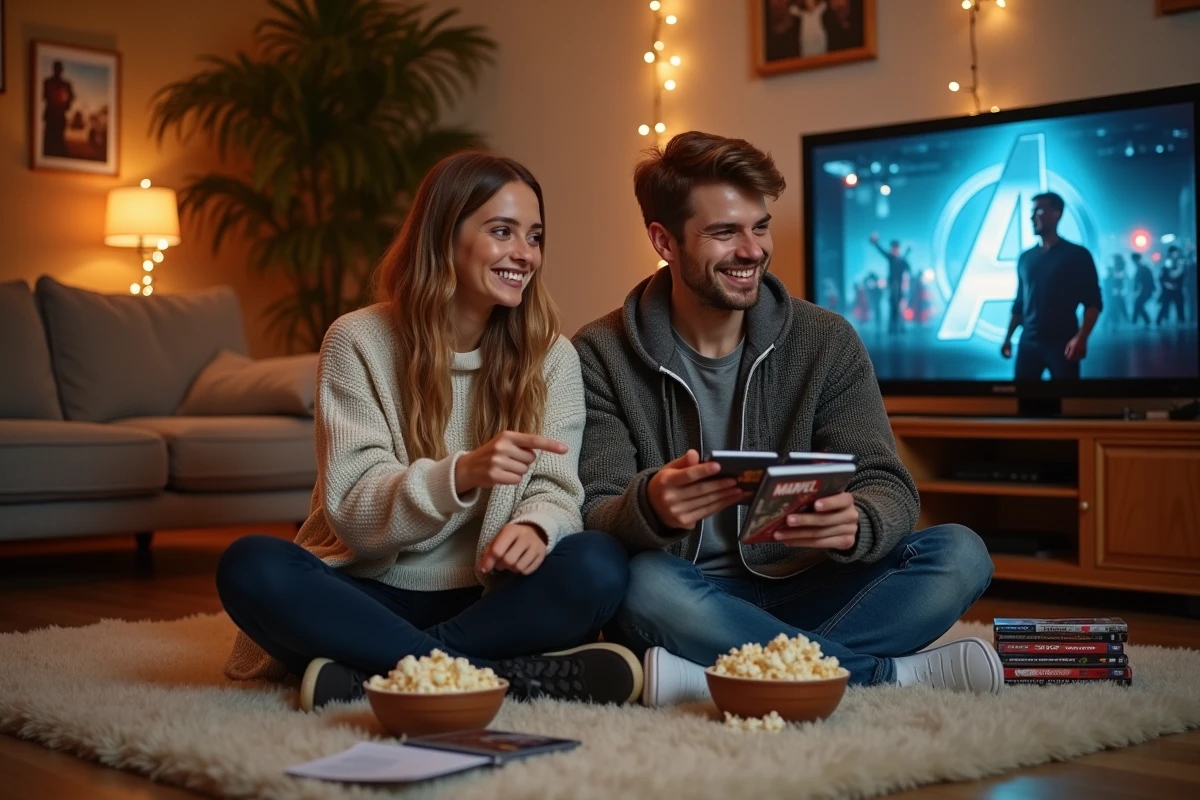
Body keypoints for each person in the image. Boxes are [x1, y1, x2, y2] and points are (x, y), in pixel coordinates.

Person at [572, 131, 1001, 708]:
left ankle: (719, 673)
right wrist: (650, 506)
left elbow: (888, 484)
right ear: (664, 240)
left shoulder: (825, 340)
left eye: (760, 226)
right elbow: (594, 508)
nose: (751, 250)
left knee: (961, 553)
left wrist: (858, 523)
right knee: (643, 587)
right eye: (724, 232)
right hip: (687, 589)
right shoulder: (600, 352)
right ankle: (883, 676)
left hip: (808, 581)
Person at [216, 151, 642, 711]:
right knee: (251, 565)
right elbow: (355, 513)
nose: (525, 253)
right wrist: (462, 473)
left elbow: (556, 489)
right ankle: (507, 678)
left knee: (599, 562)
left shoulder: (552, 358)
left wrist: (538, 528)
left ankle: (372, 672)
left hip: (490, 601)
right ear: (444, 235)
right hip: (370, 590)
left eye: (534, 236)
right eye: (502, 231)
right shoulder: (357, 341)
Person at [1000, 193, 1103, 380]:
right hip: (1028, 343)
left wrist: (1081, 338)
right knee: (1025, 404)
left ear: (1057, 214)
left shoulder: (1077, 255)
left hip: (1062, 343)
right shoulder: (1026, 258)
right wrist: (1008, 338)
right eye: (1032, 212)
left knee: (1066, 403)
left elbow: (1093, 303)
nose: (1032, 217)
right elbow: (1020, 303)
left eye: (1038, 210)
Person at [869, 234, 910, 334]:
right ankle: (892, 328)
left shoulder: (902, 260)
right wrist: (876, 243)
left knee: (900, 308)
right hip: (892, 287)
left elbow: (908, 271)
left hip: (900, 288)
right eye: (893, 248)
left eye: (896, 248)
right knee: (893, 307)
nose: (894, 250)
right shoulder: (891, 258)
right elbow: (882, 251)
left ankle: (900, 327)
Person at [42, 61, 75, 158]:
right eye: (56, 68)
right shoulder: (48, 82)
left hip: (60, 115)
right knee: (49, 136)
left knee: (59, 136)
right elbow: (44, 96)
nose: (58, 71)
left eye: (59, 68)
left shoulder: (66, 84)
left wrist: (65, 106)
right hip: (51, 114)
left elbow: (71, 97)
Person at [1157, 245, 1187, 325]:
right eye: (1173, 253)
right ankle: (1158, 321)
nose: (1175, 254)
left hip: (1177, 288)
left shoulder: (1180, 262)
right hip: (1168, 288)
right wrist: (1166, 284)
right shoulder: (1167, 263)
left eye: (1176, 253)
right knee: (1164, 306)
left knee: (1180, 306)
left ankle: (1182, 321)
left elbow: (1182, 276)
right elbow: (1164, 276)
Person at [1132, 252, 1155, 327]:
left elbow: (1144, 281)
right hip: (1144, 291)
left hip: (1145, 291)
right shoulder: (1141, 268)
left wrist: (1138, 290)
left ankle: (1137, 321)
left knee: (1138, 304)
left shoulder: (1142, 269)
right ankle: (1137, 321)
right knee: (1138, 305)